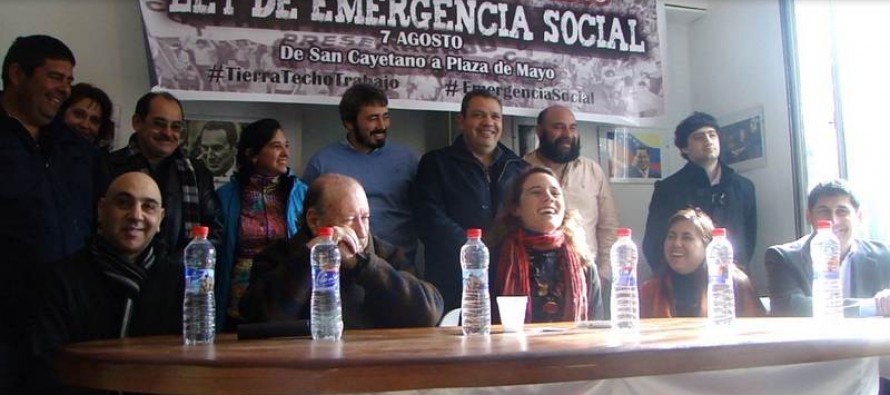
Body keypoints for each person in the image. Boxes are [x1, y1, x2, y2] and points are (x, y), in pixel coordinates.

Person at [0, 35, 95, 392]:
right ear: (17, 73)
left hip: (66, 321)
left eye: (69, 80)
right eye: (55, 77)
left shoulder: (76, 148)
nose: (64, 89)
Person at [28, 172, 181, 394]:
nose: (136, 215)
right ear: (101, 210)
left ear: (160, 219)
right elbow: (46, 368)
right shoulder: (61, 279)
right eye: (123, 203)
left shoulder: (178, 282)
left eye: (148, 207)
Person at [240, 174, 443, 328]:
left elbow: (429, 312)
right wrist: (308, 258)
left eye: (365, 218)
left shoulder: (386, 254)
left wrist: (362, 265)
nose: (362, 231)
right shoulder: (279, 255)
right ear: (313, 220)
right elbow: (258, 319)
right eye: (350, 220)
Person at [413, 89, 528, 310]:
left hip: (507, 281)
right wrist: (477, 249)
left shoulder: (520, 168)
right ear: (461, 121)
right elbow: (428, 220)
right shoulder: (436, 163)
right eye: (478, 115)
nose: (488, 122)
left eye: (495, 116)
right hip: (452, 283)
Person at [302, 83, 419, 263]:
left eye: (385, 117)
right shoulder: (322, 163)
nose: (382, 126)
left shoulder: (408, 160)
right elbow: (304, 221)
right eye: (372, 119)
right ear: (349, 123)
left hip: (398, 268)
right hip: (341, 267)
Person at [100, 91, 221, 255]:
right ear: (137, 122)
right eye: (159, 124)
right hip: (119, 270)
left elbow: (213, 231)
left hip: (180, 273)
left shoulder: (197, 173)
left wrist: (177, 265)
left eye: (176, 127)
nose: (168, 133)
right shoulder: (107, 166)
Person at [215, 118, 308, 330]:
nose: (285, 153)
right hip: (236, 305)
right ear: (252, 154)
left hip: (284, 302)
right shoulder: (225, 197)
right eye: (276, 146)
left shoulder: (302, 195)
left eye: (286, 146)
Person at [523, 105, 618, 312]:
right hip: (534, 281)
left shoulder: (592, 171)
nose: (567, 134)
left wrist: (603, 274)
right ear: (540, 131)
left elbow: (608, 227)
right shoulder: (520, 169)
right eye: (558, 127)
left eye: (572, 128)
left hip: (587, 278)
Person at [643, 112, 756, 276]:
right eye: (699, 137)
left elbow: (748, 241)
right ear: (684, 147)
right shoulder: (668, 189)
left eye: (712, 135)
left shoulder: (744, 187)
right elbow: (653, 243)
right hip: (681, 283)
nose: (708, 141)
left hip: (730, 280)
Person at [489, 167, 604, 323]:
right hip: (510, 346)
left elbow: (596, 323)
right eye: (536, 192)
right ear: (516, 208)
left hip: (572, 345)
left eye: (555, 193)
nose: (549, 198)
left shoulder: (582, 259)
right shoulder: (496, 257)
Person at [766, 179, 890, 317]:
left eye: (842, 211)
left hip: (870, 338)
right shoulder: (782, 257)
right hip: (812, 337)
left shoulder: (884, 255)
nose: (833, 221)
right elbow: (789, 308)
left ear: (859, 217)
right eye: (823, 211)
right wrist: (874, 306)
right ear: (809, 217)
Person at [640, 208, 764, 318]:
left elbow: (757, 336)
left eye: (687, 237)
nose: (676, 244)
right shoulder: (650, 289)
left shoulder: (734, 282)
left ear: (707, 246)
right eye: (671, 236)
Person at [58, 82, 115, 151]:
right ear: (62, 112)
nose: (85, 125)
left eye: (94, 121)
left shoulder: (98, 160)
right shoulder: (42, 152)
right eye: (78, 115)